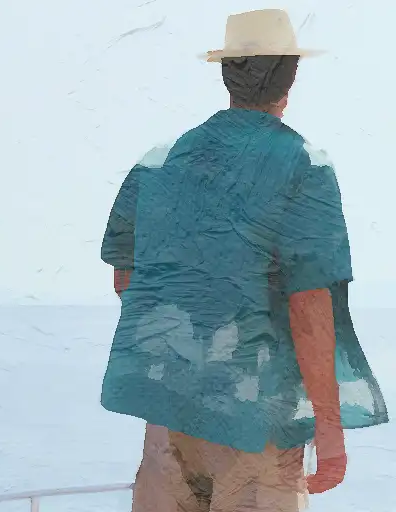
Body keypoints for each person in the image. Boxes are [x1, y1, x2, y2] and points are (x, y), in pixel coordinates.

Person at [100, 9, 389, 511]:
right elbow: (309, 303)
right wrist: (329, 426)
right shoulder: (303, 166)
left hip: (169, 412)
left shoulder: (160, 160)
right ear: (290, 77)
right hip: (258, 424)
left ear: (226, 75)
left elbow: (127, 274)